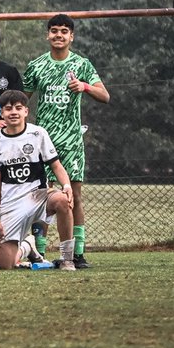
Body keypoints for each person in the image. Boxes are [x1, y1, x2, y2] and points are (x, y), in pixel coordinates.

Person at [22, 14, 110, 268]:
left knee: (74, 196)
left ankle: (76, 253)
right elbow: (20, 99)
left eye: (64, 31)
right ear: (47, 35)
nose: (58, 35)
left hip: (71, 142)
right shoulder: (36, 65)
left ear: (71, 36)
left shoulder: (81, 64)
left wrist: (84, 87)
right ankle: (37, 253)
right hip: (42, 143)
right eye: (54, 31)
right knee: (40, 197)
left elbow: (104, 95)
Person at [0, 91, 77, 271]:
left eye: (18, 108)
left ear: (26, 111)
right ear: (1, 113)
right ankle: (28, 245)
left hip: (38, 196)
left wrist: (66, 186)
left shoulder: (38, 133)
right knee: (4, 264)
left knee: (61, 200)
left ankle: (67, 259)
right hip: (11, 202)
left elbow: (56, 166)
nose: (13, 112)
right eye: (8, 108)